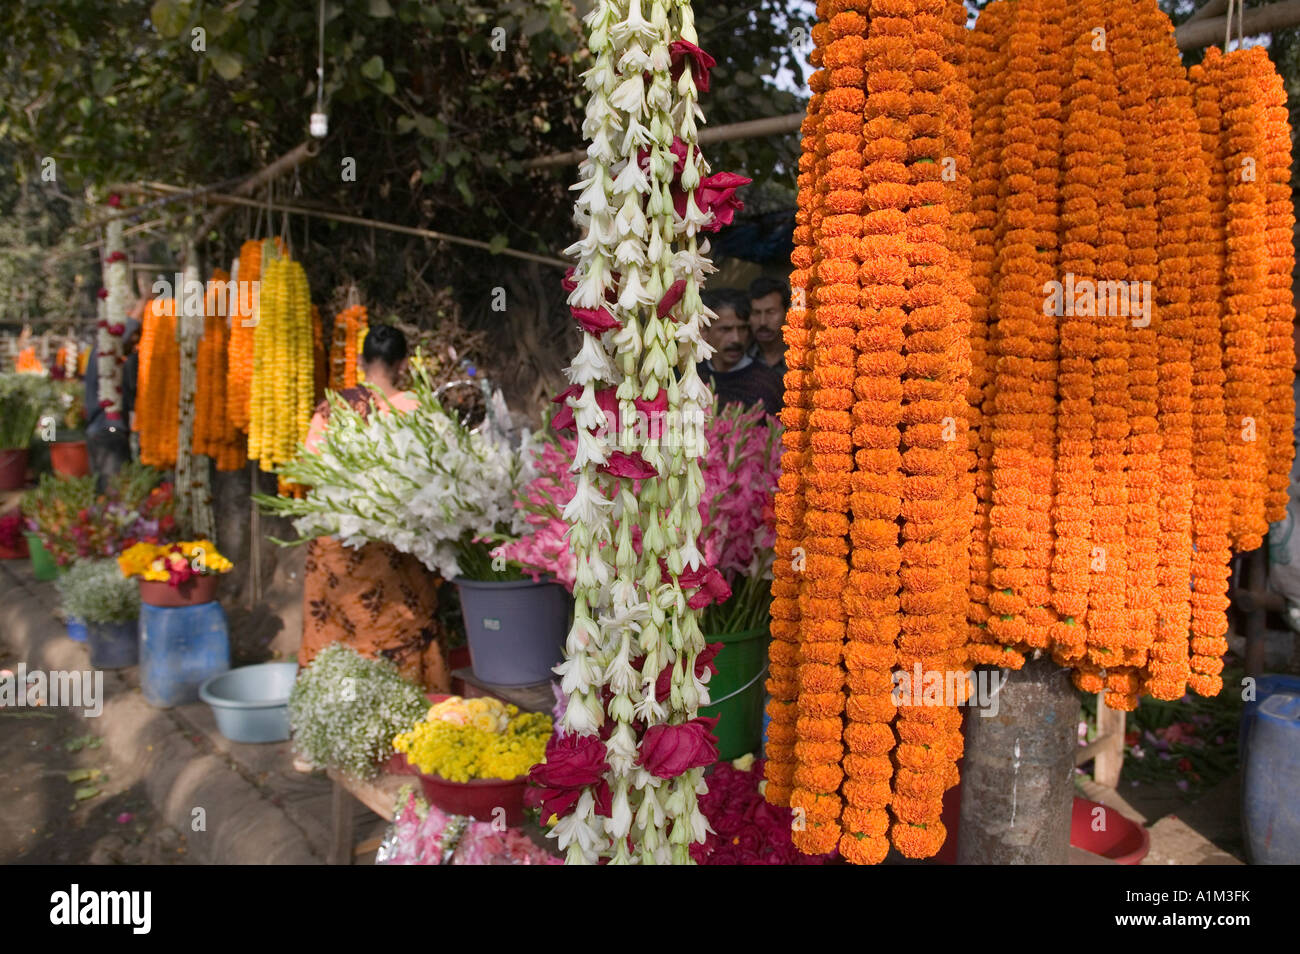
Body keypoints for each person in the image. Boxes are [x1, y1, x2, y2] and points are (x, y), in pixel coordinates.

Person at [298, 323, 450, 697]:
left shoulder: (331, 410)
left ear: (362, 361)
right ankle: (410, 726)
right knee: (398, 629)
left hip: (338, 549)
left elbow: (308, 473)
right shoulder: (417, 408)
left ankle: (331, 726)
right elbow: (439, 478)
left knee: (333, 634)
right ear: (402, 364)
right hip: (392, 551)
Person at [697, 287, 782, 416]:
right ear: (704, 332)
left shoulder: (768, 384)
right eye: (726, 329)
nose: (736, 339)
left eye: (742, 328)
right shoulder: (692, 378)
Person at [84, 319, 140, 488]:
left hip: (104, 434)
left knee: (111, 490)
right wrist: (144, 300)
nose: (135, 343)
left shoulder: (107, 357)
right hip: (107, 432)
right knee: (114, 491)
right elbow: (123, 333)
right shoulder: (105, 352)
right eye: (135, 337)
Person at [748, 276, 790, 376]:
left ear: (787, 313)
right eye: (756, 313)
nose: (763, 322)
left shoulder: (800, 357)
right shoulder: (741, 356)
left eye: (771, 312)